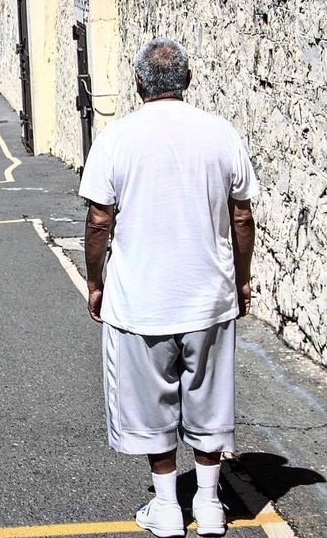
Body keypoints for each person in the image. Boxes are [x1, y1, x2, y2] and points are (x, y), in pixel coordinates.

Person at [79, 38, 259, 538]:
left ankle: (166, 507)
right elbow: (242, 216)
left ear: (138, 83)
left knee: (150, 407)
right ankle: (209, 503)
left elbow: (99, 221)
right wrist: (242, 277)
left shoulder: (115, 138)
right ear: (188, 80)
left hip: (141, 301)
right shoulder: (221, 133)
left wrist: (95, 281)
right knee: (208, 400)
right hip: (208, 297)